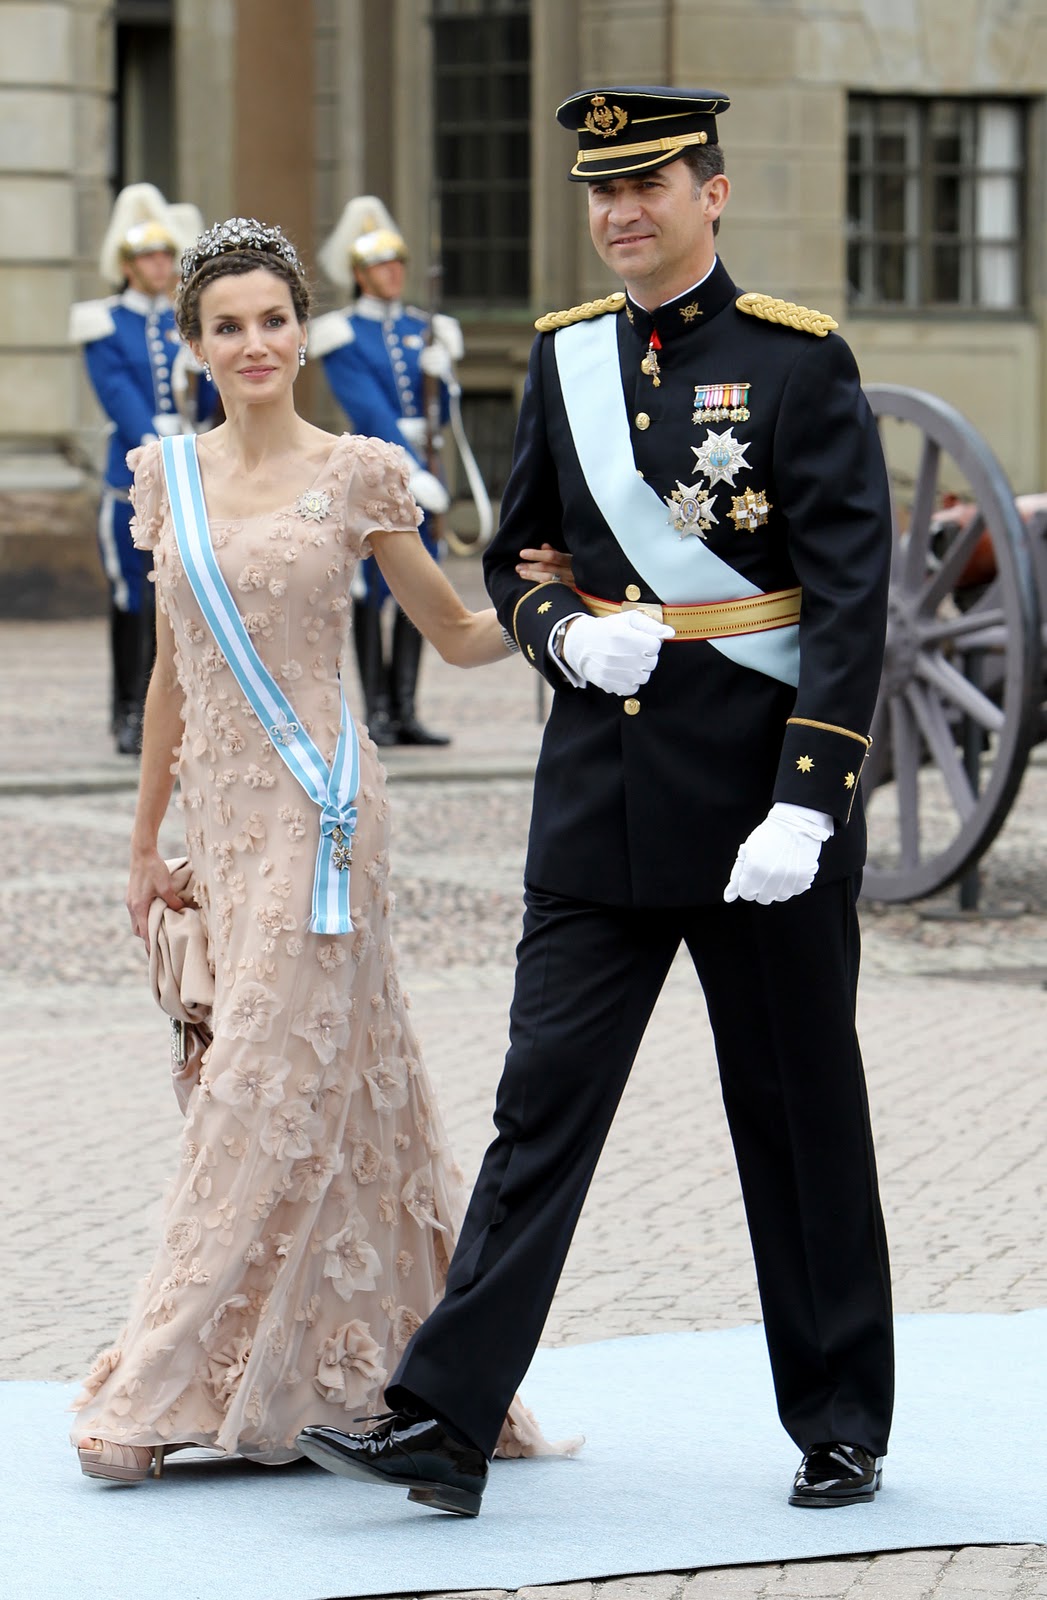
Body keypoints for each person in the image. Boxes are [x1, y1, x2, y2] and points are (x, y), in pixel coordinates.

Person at [297, 86, 895, 1517]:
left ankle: (838, 1420)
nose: (619, 212)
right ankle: (443, 1421)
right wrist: (560, 635)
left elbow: (852, 600)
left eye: (649, 185)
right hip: (598, 806)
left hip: (759, 814)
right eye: (600, 192)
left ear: (713, 192)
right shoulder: (562, 361)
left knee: (798, 1120)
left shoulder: (795, 366)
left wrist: (806, 801)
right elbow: (516, 561)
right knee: (540, 1109)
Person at [72, 217, 573, 1484]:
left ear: (304, 328)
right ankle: (378, 1374)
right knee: (337, 1090)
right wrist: (145, 845)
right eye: (226, 325)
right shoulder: (164, 474)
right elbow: (177, 682)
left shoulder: (358, 470)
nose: (255, 343)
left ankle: (159, 1377)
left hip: (326, 816)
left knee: (257, 1081)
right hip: (228, 831)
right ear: (193, 343)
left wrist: (568, 602)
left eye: (273, 320)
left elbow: (454, 632)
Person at [309, 197, 469, 747]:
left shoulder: (427, 329)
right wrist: (404, 462)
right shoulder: (343, 334)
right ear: (359, 274)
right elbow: (368, 410)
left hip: (426, 467)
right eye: (381, 266)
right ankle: (376, 707)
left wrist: (442, 378)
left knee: (419, 589)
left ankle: (405, 709)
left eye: (397, 264)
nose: (393, 274)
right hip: (374, 475)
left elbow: (442, 413)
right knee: (372, 588)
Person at [69, 185, 215, 755]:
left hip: (192, 483)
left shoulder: (188, 324)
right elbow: (118, 398)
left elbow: (206, 410)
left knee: (183, 603)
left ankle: (177, 711)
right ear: (127, 264)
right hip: (134, 484)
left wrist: (198, 371)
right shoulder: (104, 325)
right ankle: (129, 712)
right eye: (151, 256)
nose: (162, 265)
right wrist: (160, 449)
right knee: (133, 599)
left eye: (167, 255)